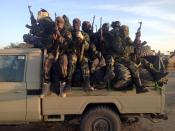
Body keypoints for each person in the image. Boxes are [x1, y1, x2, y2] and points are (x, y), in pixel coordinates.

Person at [67, 18, 94, 91]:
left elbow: (87, 47)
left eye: (77, 23)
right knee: (72, 60)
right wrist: (70, 39)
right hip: (74, 53)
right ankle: (68, 83)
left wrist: (82, 38)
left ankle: (87, 83)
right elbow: (67, 46)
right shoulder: (70, 33)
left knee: (85, 61)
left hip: (82, 54)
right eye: (74, 23)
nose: (75, 25)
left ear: (80, 24)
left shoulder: (85, 34)